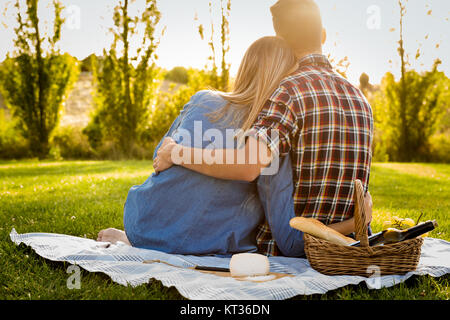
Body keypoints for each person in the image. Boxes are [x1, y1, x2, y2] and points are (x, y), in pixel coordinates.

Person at [155, 0, 374, 257]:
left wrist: (176, 153)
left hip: (287, 247)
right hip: (350, 241)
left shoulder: (289, 91)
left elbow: (248, 167)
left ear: (281, 40)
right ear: (323, 35)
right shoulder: (360, 98)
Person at [97, 36, 300, 255]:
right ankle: (156, 241)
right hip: (207, 245)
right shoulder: (270, 136)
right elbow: (282, 224)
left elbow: (159, 157)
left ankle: (141, 241)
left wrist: (178, 153)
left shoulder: (204, 100)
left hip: (144, 224)